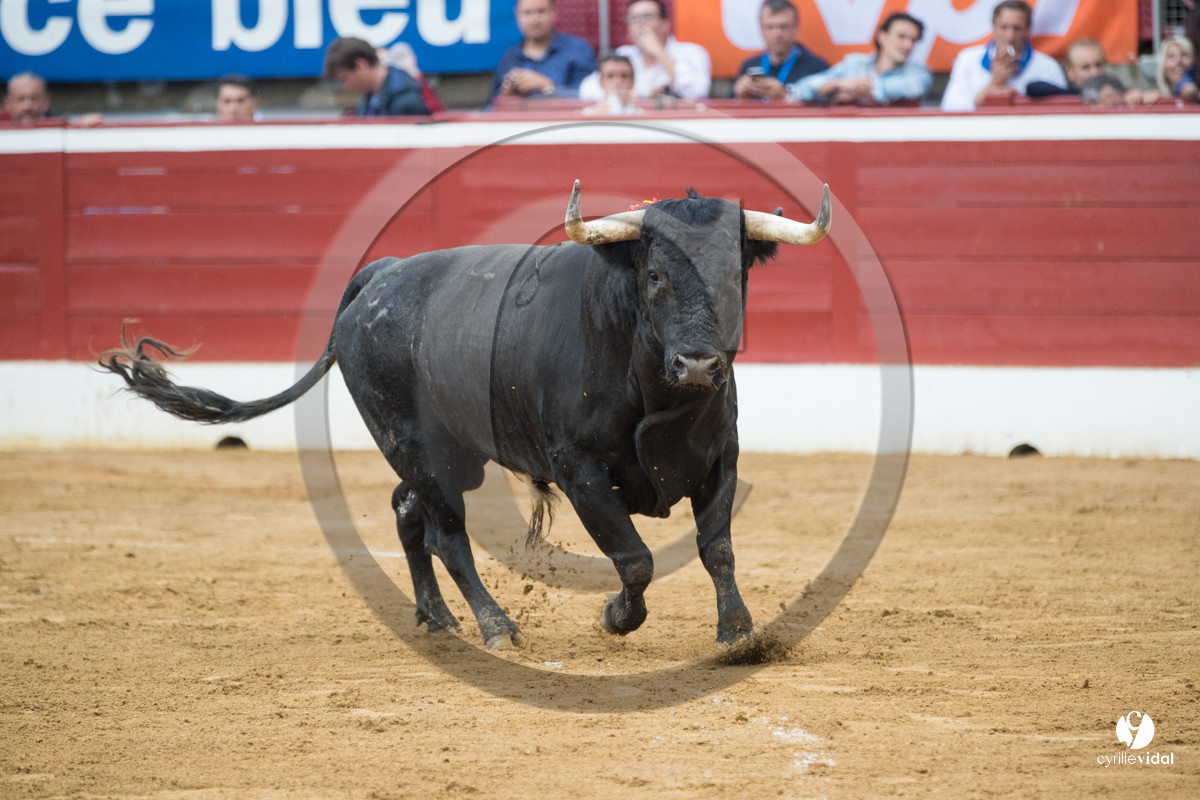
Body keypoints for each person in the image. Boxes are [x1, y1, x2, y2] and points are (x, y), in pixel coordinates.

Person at [940, 0, 1066, 111]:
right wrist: (994, 85)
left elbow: (1063, 111)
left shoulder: (1049, 67)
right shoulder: (968, 59)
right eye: (1003, 27)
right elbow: (949, 109)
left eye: (1017, 28)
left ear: (1028, 29)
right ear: (994, 27)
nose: (1009, 36)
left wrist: (1020, 100)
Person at [578, 0, 711, 102]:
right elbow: (587, 90)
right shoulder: (624, 54)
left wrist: (658, 52)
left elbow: (696, 92)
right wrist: (641, 95)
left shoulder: (692, 52)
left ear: (665, 24)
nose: (639, 22)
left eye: (647, 16)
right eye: (633, 18)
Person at [788, 12, 931, 105]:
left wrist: (857, 91)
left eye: (913, 40)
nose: (908, 45)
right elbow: (801, 89)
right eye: (901, 37)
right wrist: (837, 84)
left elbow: (907, 87)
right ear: (882, 37)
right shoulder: (855, 64)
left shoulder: (919, 72)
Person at [488, 0, 597, 105]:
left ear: (554, 12)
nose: (534, 20)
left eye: (541, 11)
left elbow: (590, 98)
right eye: (527, 13)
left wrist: (548, 88)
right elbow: (490, 109)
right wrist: (506, 98)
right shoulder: (509, 57)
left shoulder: (577, 49)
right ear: (517, 15)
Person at [731, 0, 827, 101]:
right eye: (770, 27)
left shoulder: (816, 68)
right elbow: (730, 106)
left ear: (796, 28)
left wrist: (786, 96)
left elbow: (823, 106)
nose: (777, 34)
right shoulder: (749, 66)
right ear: (761, 30)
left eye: (784, 27)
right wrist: (741, 97)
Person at [1026, 39, 1159, 105]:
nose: (1095, 73)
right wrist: (1091, 95)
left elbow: (1156, 95)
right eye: (1086, 67)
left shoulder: (1119, 92)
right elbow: (1033, 87)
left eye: (1098, 65)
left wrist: (1138, 96)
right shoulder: (1065, 93)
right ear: (1070, 73)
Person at [323, 37, 431, 116]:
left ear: (361, 65)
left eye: (344, 78)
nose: (345, 86)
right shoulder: (373, 98)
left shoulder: (406, 102)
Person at [1156, 35, 1197, 102]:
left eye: (1184, 54)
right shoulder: (1156, 94)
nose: (1178, 61)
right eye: (1171, 56)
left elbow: (1188, 90)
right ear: (1163, 67)